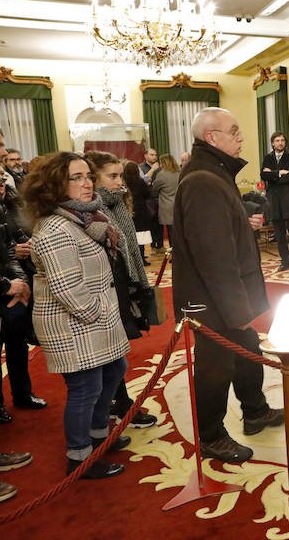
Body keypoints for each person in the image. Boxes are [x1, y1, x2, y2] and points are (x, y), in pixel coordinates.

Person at [173, 107, 283, 463]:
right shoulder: (204, 180)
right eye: (234, 131)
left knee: (248, 349)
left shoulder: (214, 171)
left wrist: (240, 224)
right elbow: (214, 258)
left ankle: (254, 410)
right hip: (214, 301)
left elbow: (220, 232)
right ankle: (211, 435)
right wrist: (238, 312)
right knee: (216, 366)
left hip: (227, 297)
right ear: (212, 137)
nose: (241, 138)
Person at [23, 152, 131, 478]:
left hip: (94, 320)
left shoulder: (84, 217)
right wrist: (98, 312)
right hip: (73, 323)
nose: (87, 183)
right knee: (85, 388)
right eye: (77, 178)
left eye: (88, 176)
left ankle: (99, 436)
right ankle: (80, 456)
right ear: (55, 185)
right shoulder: (55, 227)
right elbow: (67, 287)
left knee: (115, 370)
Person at [86, 152, 157, 429]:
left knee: (117, 352)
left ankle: (120, 403)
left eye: (120, 175)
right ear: (96, 178)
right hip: (107, 285)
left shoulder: (116, 202)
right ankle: (116, 408)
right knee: (111, 352)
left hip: (123, 281)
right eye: (112, 176)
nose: (119, 182)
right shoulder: (96, 206)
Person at [0, 176, 44, 421]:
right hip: (5, 285)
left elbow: (11, 243)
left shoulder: (10, 203)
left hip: (13, 283)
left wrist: (20, 284)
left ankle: (22, 394)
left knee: (17, 343)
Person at [261, 131, 289, 272]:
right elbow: (263, 175)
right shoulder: (268, 158)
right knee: (279, 235)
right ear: (273, 143)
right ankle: (285, 262)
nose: (280, 143)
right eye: (277, 140)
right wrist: (279, 173)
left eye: (282, 140)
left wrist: (272, 174)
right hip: (274, 202)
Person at [122, 161, 153, 265]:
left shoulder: (123, 183)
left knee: (130, 236)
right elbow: (148, 195)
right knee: (140, 237)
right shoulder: (140, 182)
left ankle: (132, 260)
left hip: (128, 210)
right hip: (141, 212)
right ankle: (141, 259)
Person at [150, 154, 180, 249]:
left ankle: (173, 253)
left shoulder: (161, 174)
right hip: (179, 204)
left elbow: (154, 190)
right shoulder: (180, 172)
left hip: (167, 206)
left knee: (171, 232)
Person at [140, 147, 162, 252]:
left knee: (160, 223)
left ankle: (161, 245)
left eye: (155, 155)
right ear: (145, 156)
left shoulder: (160, 168)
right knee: (151, 223)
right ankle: (153, 246)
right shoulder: (140, 167)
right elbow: (142, 182)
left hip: (160, 198)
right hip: (147, 200)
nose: (154, 157)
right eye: (151, 155)